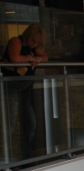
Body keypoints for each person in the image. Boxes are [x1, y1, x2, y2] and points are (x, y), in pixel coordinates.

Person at [1, 24, 48, 160]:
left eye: (37, 43)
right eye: (33, 41)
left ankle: (26, 157)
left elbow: (45, 57)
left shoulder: (33, 47)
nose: (34, 45)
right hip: (11, 89)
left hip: (25, 91)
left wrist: (36, 59)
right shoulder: (16, 41)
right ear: (29, 36)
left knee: (29, 124)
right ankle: (6, 159)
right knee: (10, 125)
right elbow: (15, 57)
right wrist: (31, 59)